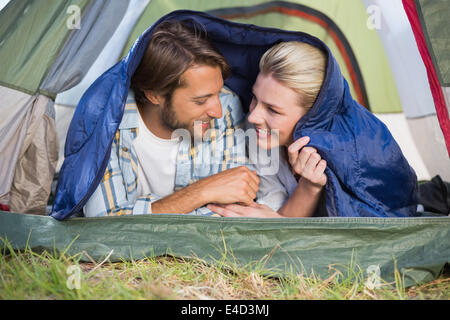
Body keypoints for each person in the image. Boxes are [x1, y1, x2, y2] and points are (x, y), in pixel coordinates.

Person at [83, 21, 282, 217]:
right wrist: (202, 191)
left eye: (217, 92)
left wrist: (145, 211)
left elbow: (230, 212)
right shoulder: (108, 122)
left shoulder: (227, 105)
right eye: (201, 100)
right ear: (154, 95)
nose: (217, 111)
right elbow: (104, 223)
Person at [208, 41, 418, 218]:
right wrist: (308, 188)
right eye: (255, 98)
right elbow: (277, 212)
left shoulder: (352, 149)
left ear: (313, 115)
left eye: (273, 110)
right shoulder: (260, 137)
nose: (253, 116)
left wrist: (276, 219)